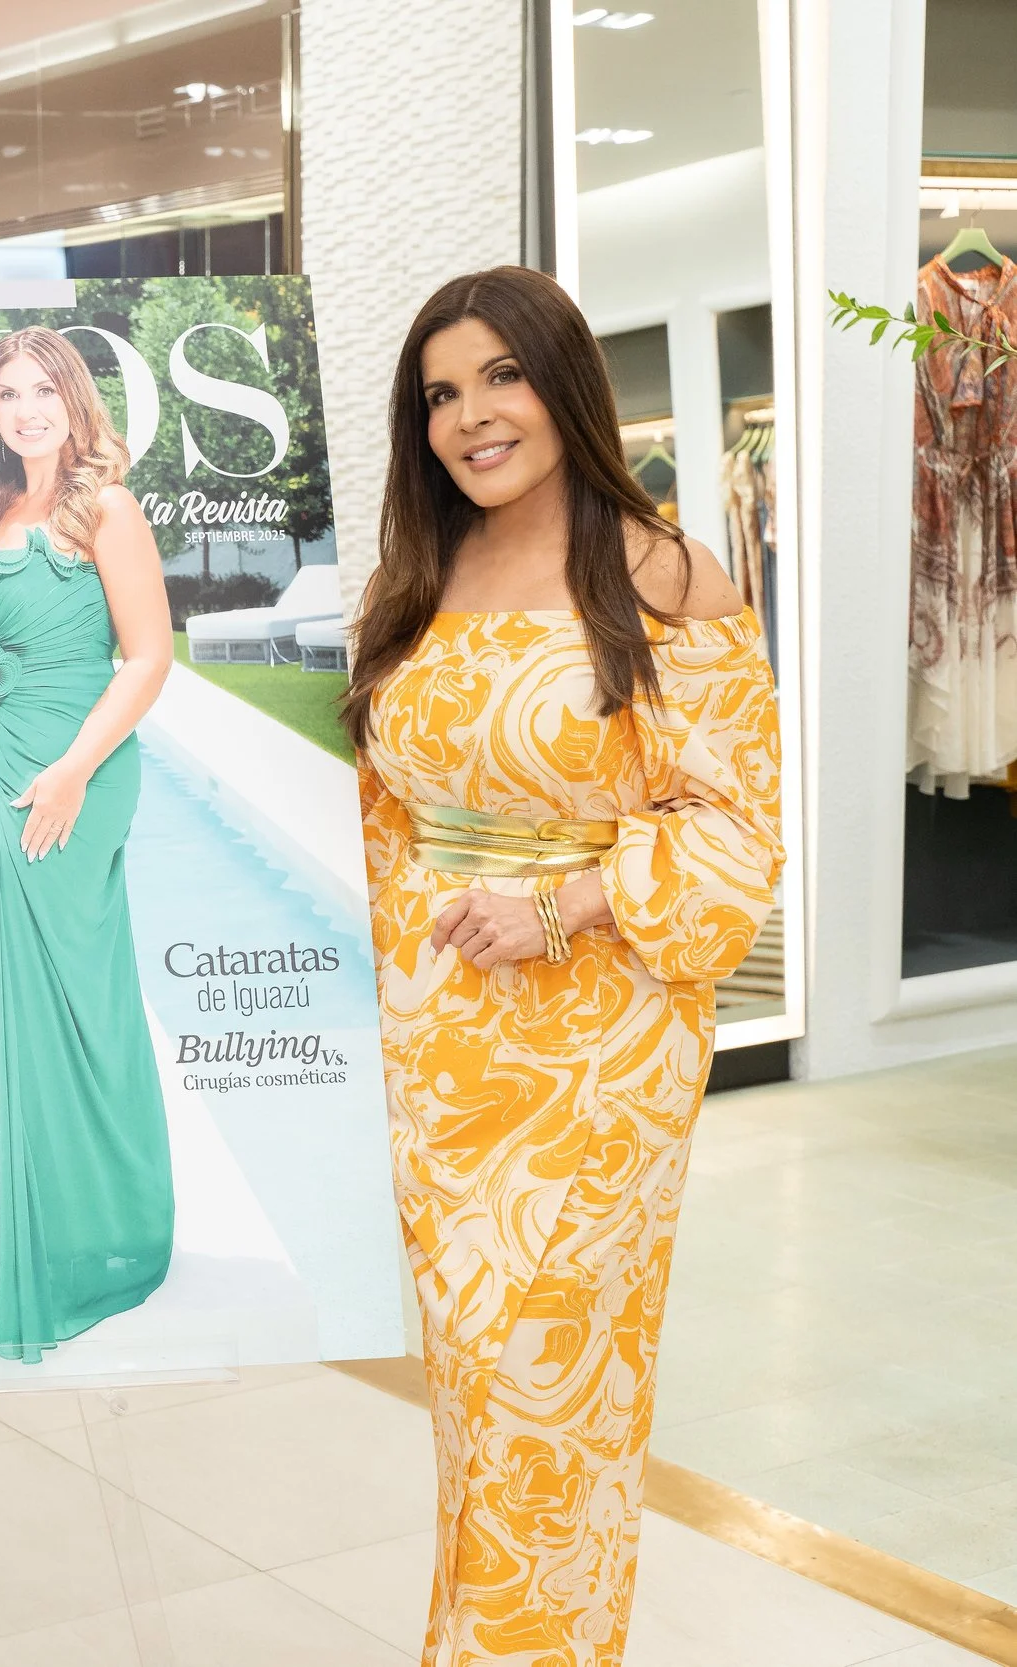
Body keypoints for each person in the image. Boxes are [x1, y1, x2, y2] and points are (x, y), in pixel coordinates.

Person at [346, 266, 780, 1667]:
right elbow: (382, 811)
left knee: (553, 1392)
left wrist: (569, 899)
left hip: (598, 1055)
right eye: (441, 392)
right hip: (444, 1044)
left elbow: (742, 824)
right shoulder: (420, 575)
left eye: (500, 376)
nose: (472, 416)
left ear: (565, 383)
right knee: (476, 1391)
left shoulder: (661, 571)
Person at [0, 326, 176, 1363]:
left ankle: (96, 1235)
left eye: (44, 390)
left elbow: (148, 654)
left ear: (76, 403)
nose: (26, 408)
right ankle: (13, 1241)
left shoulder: (105, 507)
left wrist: (76, 765)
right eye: (8, 392)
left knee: (70, 996)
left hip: (77, 762)